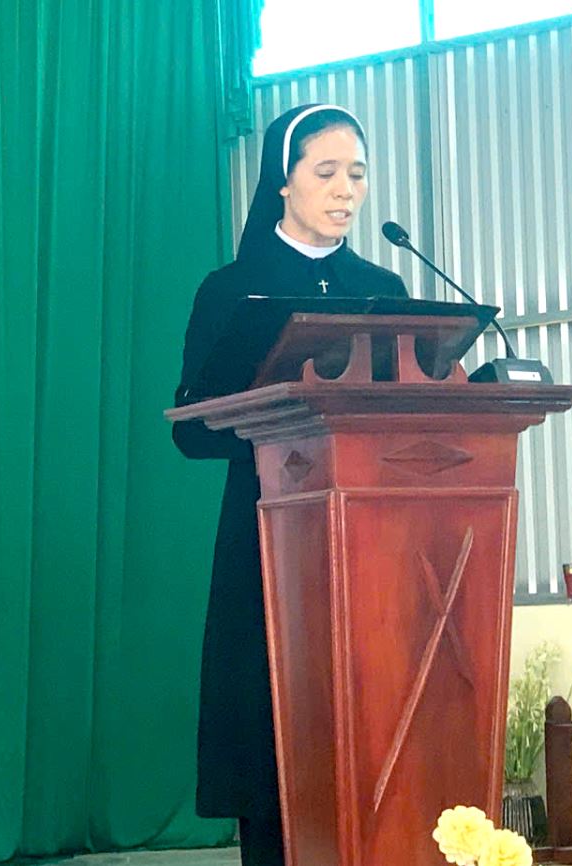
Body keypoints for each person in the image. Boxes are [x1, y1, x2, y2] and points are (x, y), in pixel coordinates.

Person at [171, 104, 409, 866]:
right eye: (326, 172)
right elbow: (190, 428)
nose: (346, 190)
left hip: (368, 548)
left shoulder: (384, 286)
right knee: (270, 739)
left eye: (358, 174)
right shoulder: (232, 291)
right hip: (267, 541)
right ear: (283, 180)